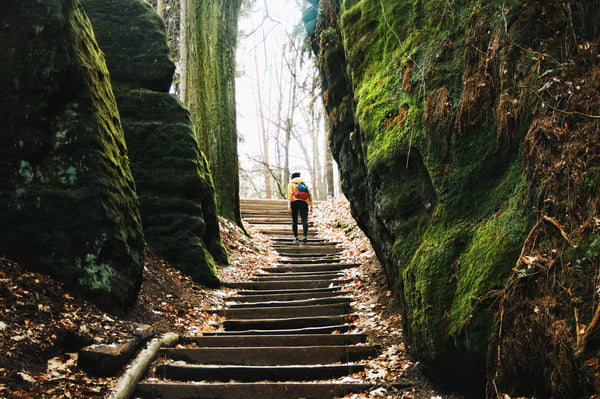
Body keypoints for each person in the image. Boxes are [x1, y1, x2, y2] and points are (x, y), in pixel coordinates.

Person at [287, 172, 313, 243]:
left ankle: (296, 237)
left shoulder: (291, 184)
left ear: (292, 178)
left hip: (294, 202)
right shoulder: (305, 185)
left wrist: (289, 205)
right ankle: (304, 236)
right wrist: (311, 206)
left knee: (294, 221)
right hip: (304, 203)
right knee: (304, 220)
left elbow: (290, 194)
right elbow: (310, 195)